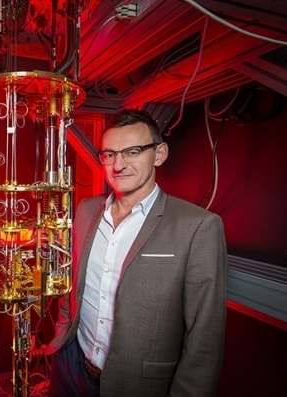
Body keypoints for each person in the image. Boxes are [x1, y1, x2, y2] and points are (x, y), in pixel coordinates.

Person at [46, 109, 228, 397]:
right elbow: (75, 286)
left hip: (135, 384)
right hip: (71, 366)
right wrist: (62, 334)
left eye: (132, 152)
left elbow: (205, 338)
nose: (119, 165)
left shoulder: (198, 227)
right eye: (109, 154)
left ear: (159, 154)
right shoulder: (87, 210)